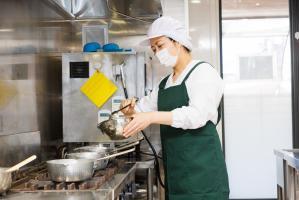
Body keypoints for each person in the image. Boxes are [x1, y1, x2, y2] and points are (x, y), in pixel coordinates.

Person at [120, 16, 229, 200]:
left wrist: (151, 117)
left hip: (203, 175)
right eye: (154, 49)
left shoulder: (203, 73)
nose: (157, 52)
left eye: (160, 46)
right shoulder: (164, 84)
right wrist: (129, 109)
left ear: (177, 42)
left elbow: (197, 115)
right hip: (176, 174)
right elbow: (141, 109)